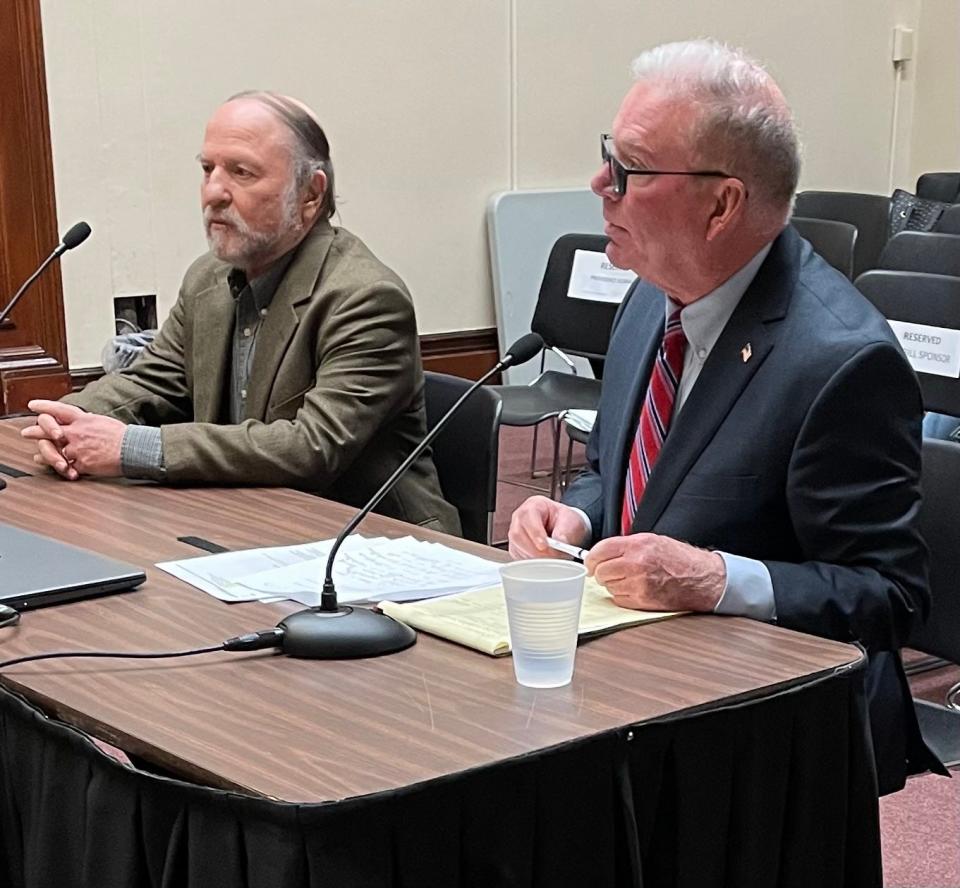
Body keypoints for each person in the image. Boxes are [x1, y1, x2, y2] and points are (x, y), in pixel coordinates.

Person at [508, 40, 943, 794]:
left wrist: (716, 579)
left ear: (722, 204)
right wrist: (576, 515)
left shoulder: (841, 360)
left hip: (770, 745)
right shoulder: (650, 298)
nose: (599, 184)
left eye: (629, 169)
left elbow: (888, 599)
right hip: (645, 688)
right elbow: (620, 470)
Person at [23, 91, 459, 533]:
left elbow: (311, 448)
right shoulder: (208, 279)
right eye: (207, 169)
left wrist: (132, 448)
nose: (213, 192)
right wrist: (64, 422)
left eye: (242, 172)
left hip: (374, 545)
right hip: (248, 526)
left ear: (310, 194)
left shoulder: (365, 298)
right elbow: (148, 383)